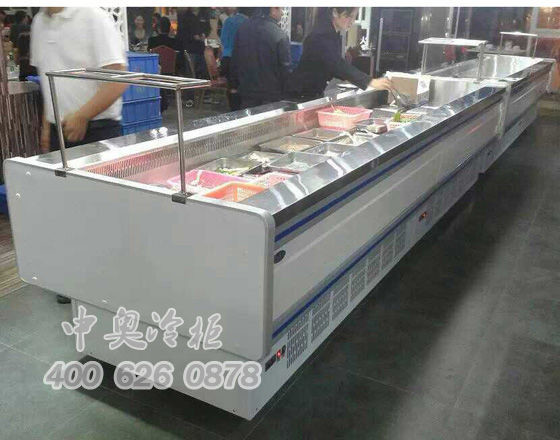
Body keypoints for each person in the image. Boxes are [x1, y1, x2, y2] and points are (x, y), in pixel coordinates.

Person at [31, 7, 127, 303]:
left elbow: (119, 79)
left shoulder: (92, 16)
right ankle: (76, 280)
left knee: (101, 212)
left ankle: (110, 283)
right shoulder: (39, 22)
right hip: (60, 131)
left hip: (97, 129)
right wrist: (46, 125)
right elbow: (49, 80)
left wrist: (83, 115)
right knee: (65, 209)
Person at [286, 7, 392, 101]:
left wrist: (355, 79)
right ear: (335, 12)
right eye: (349, 16)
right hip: (300, 95)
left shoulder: (332, 33)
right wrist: (369, 81)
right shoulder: (321, 34)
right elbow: (336, 64)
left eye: (354, 17)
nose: (352, 21)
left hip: (311, 93)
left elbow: (333, 65)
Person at [231, 7, 290, 109]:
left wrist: (234, 84)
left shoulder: (243, 29)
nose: (282, 13)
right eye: (280, 9)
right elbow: (284, 68)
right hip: (270, 94)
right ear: (273, 9)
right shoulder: (279, 34)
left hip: (246, 91)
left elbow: (235, 60)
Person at [220, 8, 247, 110]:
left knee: (232, 87)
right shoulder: (248, 22)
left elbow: (223, 40)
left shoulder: (228, 21)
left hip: (227, 57)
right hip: (242, 58)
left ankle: (233, 110)